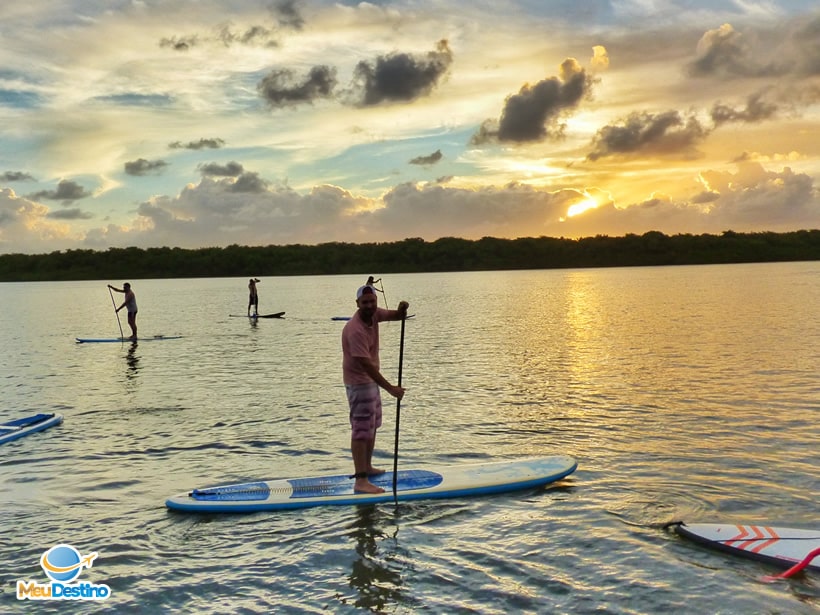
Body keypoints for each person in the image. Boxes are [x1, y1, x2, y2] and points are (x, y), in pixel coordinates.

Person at [341, 284, 409, 494]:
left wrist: (401, 310)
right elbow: (366, 365)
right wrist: (391, 388)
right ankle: (361, 480)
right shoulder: (355, 330)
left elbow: (396, 316)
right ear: (357, 304)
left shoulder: (375, 314)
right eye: (365, 303)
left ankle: (367, 467)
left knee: (372, 425)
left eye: (372, 302)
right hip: (358, 382)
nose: (369, 306)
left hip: (370, 381)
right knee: (361, 430)